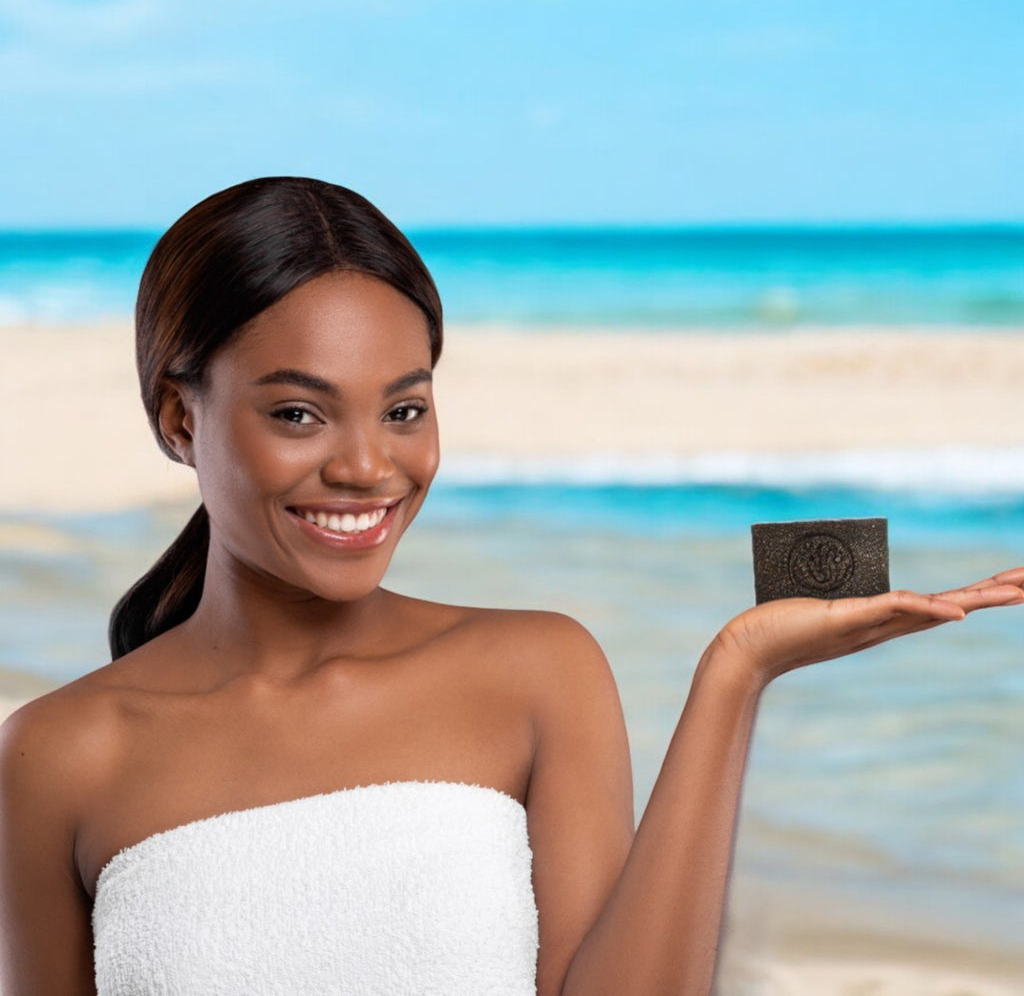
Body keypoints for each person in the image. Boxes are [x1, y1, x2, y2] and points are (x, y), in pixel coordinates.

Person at [0, 176, 1020, 996]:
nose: (367, 466)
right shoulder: (57, 754)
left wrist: (735, 674)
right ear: (181, 419)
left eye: (403, 411)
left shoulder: (536, 671)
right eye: (300, 415)